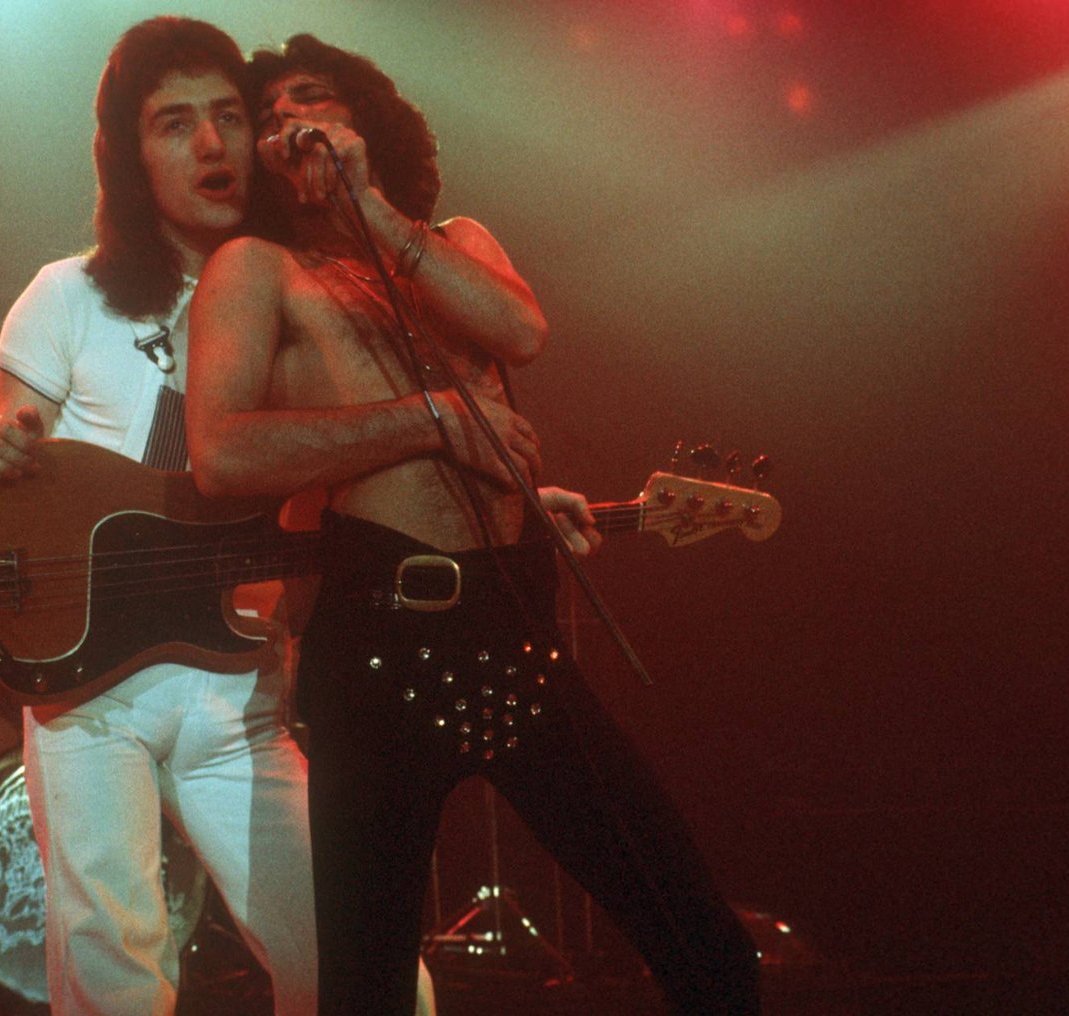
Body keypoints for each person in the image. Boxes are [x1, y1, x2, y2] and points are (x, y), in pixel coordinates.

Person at [186, 34, 762, 1016]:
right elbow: (223, 454)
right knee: (365, 985)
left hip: (512, 627)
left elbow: (521, 333)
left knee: (701, 938)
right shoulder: (258, 267)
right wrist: (432, 421)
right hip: (378, 648)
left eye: (311, 100)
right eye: (269, 115)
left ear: (365, 119)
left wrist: (370, 208)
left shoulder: (452, 239)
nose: (289, 125)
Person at [0, 18, 323, 1015]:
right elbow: (4, 495)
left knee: (350, 957)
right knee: (111, 964)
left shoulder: (304, 298)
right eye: (173, 123)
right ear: (127, 153)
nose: (209, 145)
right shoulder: (63, 297)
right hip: (89, 693)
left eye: (227, 117)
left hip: (239, 689)